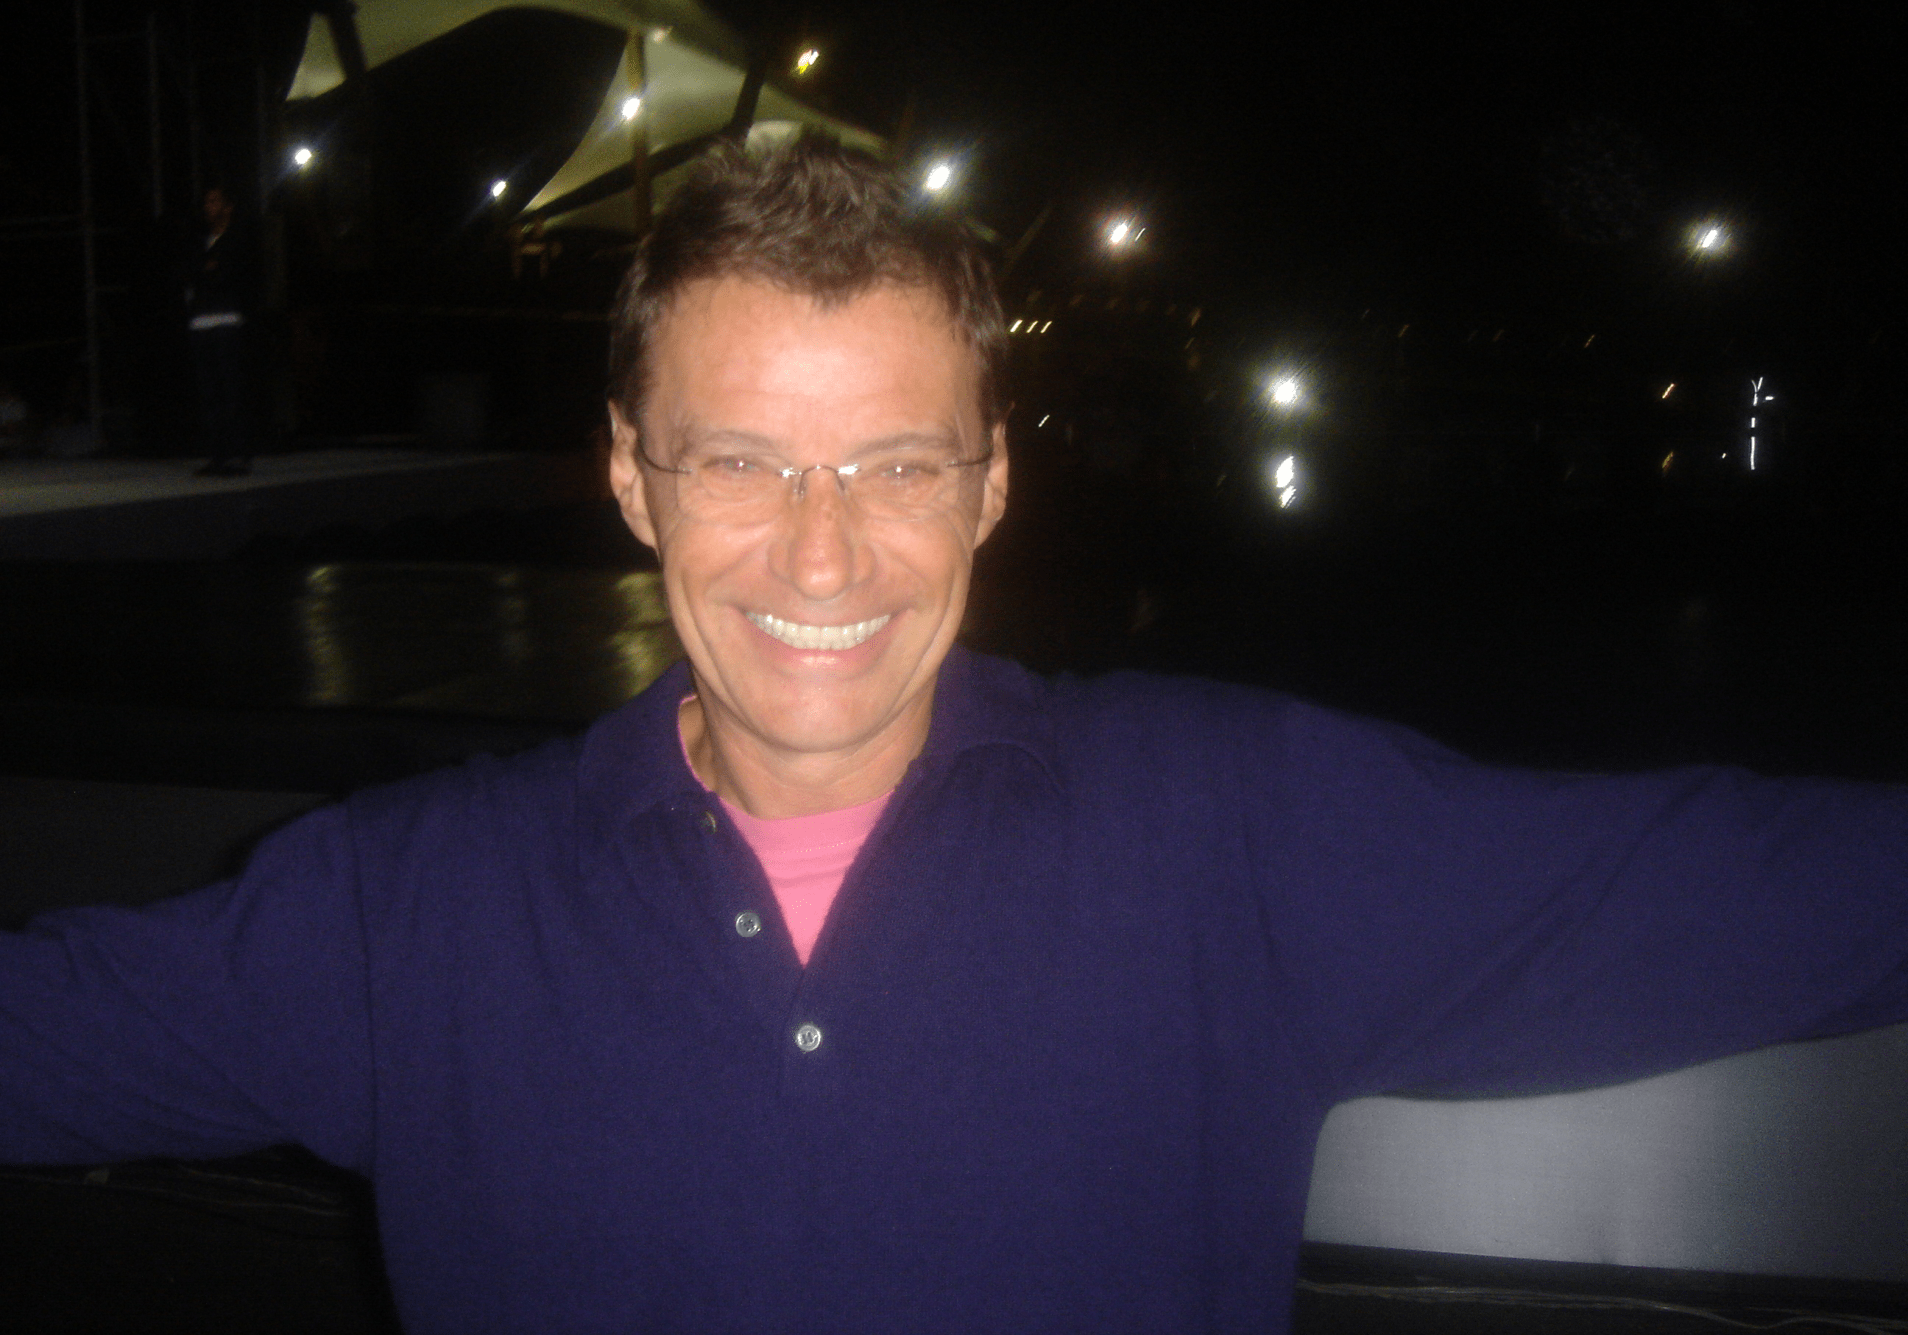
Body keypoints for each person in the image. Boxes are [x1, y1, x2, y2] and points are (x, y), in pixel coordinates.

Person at [5, 138, 1907, 1334]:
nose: (822, 551)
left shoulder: (1234, 829)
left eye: (897, 465)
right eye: (740, 461)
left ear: (991, 484)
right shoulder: (404, 906)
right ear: (631, 479)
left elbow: (1780, 886)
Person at [182, 183, 257, 477]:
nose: (208, 207)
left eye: (214, 201)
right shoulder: (200, 241)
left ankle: (238, 453)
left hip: (226, 320)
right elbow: (191, 272)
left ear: (228, 206)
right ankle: (218, 455)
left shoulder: (236, 239)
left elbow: (229, 275)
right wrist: (207, 270)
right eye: (207, 202)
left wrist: (208, 271)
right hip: (202, 322)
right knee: (209, 392)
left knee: (231, 389)